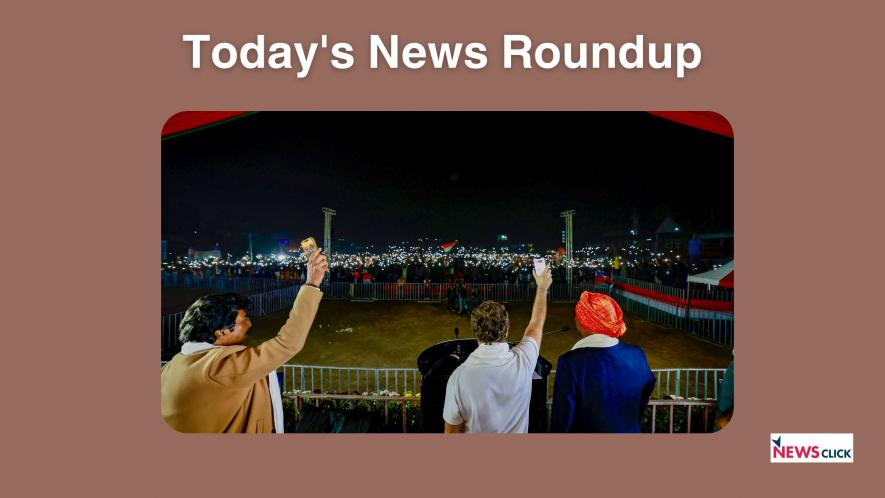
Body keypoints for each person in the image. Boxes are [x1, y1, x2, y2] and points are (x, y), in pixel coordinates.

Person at [161, 249, 329, 433]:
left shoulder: (173, 365)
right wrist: (312, 283)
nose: (249, 324)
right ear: (221, 332)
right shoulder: (218, 367)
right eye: (243, 321)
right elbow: (287, 343)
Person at [443, 267, 552, 433]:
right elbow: (536, 324)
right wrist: (542, 288)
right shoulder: (523, 360)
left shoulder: (458, 378)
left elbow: (451, 433)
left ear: (476, 333)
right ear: (506, 329)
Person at [551, 291, 656, 433]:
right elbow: (645, 392)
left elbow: (562, 419)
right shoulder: (637, 354)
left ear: (581, 323)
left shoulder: (570, 362)